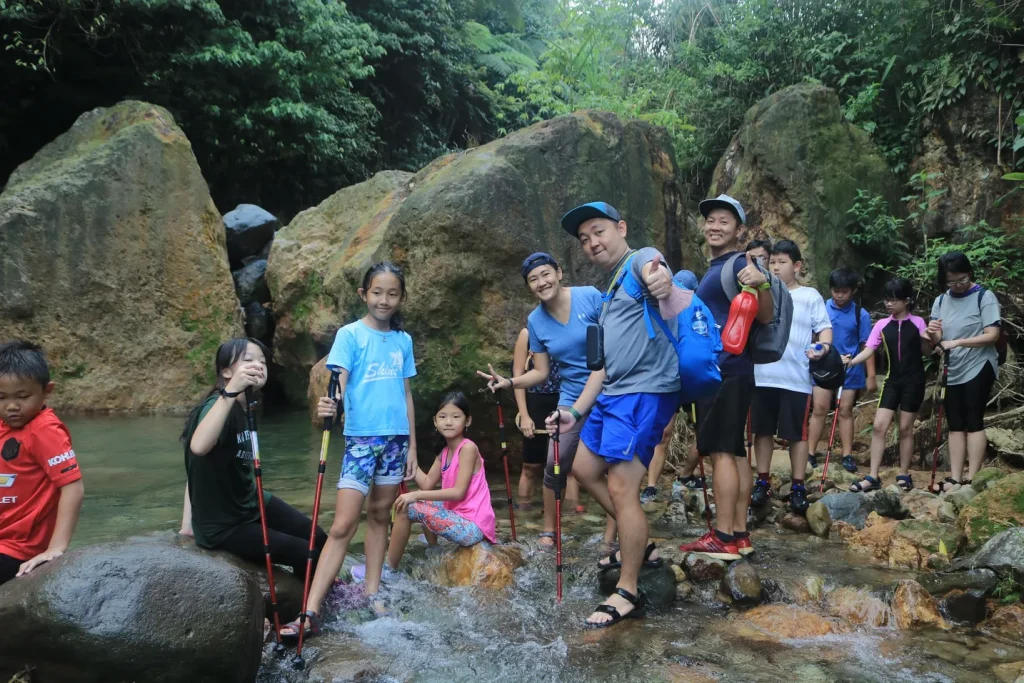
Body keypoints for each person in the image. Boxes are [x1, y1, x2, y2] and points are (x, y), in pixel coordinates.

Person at [534, 201, 680, 628]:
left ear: (621, 227)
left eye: (598, 231)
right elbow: (600, 367)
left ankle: (628, 589)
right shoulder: (610, 288)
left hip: (644, 392)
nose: (592, 242)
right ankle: (641, 544)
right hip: (612, 393)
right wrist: (574, 411)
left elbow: (660, 275)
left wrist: (663, 281)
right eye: (583, 239)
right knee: (580, 463)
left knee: (621, 485)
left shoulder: (639, 261)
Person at [282, 262, 418, 637]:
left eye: (392, 294)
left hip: (395, 440)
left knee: (379, 516)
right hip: (362, 439)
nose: (384, 300)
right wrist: (331, 403)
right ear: (364, 294)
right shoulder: (350, 334)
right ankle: (310, 610)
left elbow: (406, 395)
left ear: (401, 298)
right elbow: (337, 378)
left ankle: (372, 592)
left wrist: (413, 448)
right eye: (377, 292)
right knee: (343, 525)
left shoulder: (403, 341)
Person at [477, 253, 605, 549]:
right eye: (533, 279)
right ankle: (550, 529)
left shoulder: (590, 297)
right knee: (554, 462)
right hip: (572, 392)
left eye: (545, 274)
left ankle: (615, 533)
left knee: (608, 466)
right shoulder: (536, 321)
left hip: (608, 387)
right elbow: (542, 371)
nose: (541, 282)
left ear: (559, 273)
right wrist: (510, 382)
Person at [182, 338, 327, 577]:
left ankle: (328, 590)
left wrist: (187, 524)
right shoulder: (218, 407)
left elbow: (192, 471)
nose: (258, 365)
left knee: (318, 537)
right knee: (304, 552)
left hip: (251, 501)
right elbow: (197, 448)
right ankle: (308, 611)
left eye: (262, 361)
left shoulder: (245, 405)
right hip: (225, 525)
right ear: (226, 372)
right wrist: (230, 392)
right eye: (248, 360)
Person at [679, 194, 773, 560]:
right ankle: (739, 534)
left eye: (724, 221)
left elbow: (765, 316)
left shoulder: (737, 264)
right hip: (735, 371)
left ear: (739, 230)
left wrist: (762, 283)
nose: (714, 227)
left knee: (720, 452)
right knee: (734, 453)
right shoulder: (721, 265)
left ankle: (721, 537)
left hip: (723, 371)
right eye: (711, 220)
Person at [360, 392, 496, 580]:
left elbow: (458, 492)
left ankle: (389, 570)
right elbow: (426, 483)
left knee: (409, 507)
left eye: (456, 416)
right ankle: (434, 550)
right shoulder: (445, 452)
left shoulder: (468, 448)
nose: (449, 422)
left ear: (468, 421)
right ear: (435, 421)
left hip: (473, 526)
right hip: (460, 517)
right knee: (420, 500)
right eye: (443, 417)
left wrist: (414, 495)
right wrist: (404, 456)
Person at [749, 240, 831, 515]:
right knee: (761, 431)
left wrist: (823, 347)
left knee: (797, 433)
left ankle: (798, 485)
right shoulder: (761, 293)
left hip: (796, 377)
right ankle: (762, 481)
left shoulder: (810, 296)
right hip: (762, 375)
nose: (775, 267)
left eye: (781, 262)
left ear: (796, 266)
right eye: (772, 262)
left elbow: (824, 329)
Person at [0, 341, 85, 586]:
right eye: (1, 397)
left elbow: (72, 487)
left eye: (23, 396)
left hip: (19, 549)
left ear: (47, 391)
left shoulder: (44, 431)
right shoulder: (4, 425)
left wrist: (56, 548)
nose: (12, 406)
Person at [847, 278, 932, 492]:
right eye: (887, 300)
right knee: (879, 426)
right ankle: (873, 476)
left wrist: (928, 339)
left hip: (914, 381)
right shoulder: (882, 325)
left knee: (905, 428)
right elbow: (869, 349)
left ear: (906, 301)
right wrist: (851, 361)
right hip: (892, 381)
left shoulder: (918, 322)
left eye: (894, 300)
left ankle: (904, 474)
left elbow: (928, 352)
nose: (889, 304)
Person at [926, 251, 1001, 492]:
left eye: (962, 279)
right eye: (952, 281)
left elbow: (992, 335)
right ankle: (955, 478)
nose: (958, 285)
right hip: (953, 367)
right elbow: (938, 339)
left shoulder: (984, 297)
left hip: (979, 365)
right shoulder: (941, 300)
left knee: (973, 419)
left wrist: (957, 342)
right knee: (955, 422)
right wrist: (933, 332)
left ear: (969, 273)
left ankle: (973, 478)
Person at [642, 269, 701, 505]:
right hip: (669, 379)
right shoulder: (659, 310)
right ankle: (651, 486)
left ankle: (684, 476)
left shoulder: (697, 313)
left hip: (691, 379)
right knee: (663, 434)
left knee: (702, 433)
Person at [808, 268, 875, 471]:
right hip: (822, 367)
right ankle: (810, 452)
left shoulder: (860, 314)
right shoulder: (821, 308)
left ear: (853, 291)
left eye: (844, 291)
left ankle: (847, 454)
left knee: (845, 410)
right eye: (836, 291)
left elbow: (867, 344)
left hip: (849, 368)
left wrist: (870, 374)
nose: (839, 295)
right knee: (819, 408)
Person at [509, 328, 575, 512]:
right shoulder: (528, 334)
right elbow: (518, 376)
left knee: (567, 465)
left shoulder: (572, 329)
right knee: (531, 464)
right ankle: (524, 510)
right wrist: (524, 414)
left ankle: (567, 515)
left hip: (565, 398)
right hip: (536, 400)